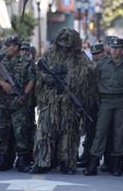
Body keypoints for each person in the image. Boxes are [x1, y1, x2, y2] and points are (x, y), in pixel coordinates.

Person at [31, 28, 97, 175]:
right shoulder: (50, 53)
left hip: (69, 103)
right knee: (45, 131)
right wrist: (46, 78)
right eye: (62, 44)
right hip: (51, 100)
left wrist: (72, 81)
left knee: (69, 133)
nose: (64, 48)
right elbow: (39, 70)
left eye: (67, 45)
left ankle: (67, 163)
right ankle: (42, 162)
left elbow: (88, 76)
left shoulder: (80, 58)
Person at [84, 37, 123, 177]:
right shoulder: (102, 64)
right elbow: (95, 82)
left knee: (119, 132)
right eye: (113, 48)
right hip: (105, 100)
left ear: (122, 50)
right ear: (109, 49)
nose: (115, 51)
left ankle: (116, 164)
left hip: (121, 100)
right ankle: (93, 163)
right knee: (101, 132)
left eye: (118, 48)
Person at [0, 36, 35, 172]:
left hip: (18, 102)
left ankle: (22, 160)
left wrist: (24, 96)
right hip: (1, 101)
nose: (6, 48)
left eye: (8, 46)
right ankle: (3, 159)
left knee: (20, 131)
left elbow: (32, 80)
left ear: (16, 47)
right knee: (1, 131)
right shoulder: (0, 59)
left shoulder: (27, 61)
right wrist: (2, 83)